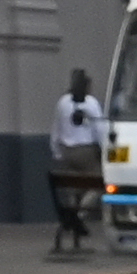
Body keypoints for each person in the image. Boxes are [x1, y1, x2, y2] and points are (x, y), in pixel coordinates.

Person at [48, 66, 107, 258]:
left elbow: (55, 130)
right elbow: (100, 131)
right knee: (99, 183)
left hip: (67, 151)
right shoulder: (91, 104)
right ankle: (79, 217)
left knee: (73, 188)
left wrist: (57, 151)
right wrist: (104, 150)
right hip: (86, 151)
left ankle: (72, 218)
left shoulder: (62, 103)